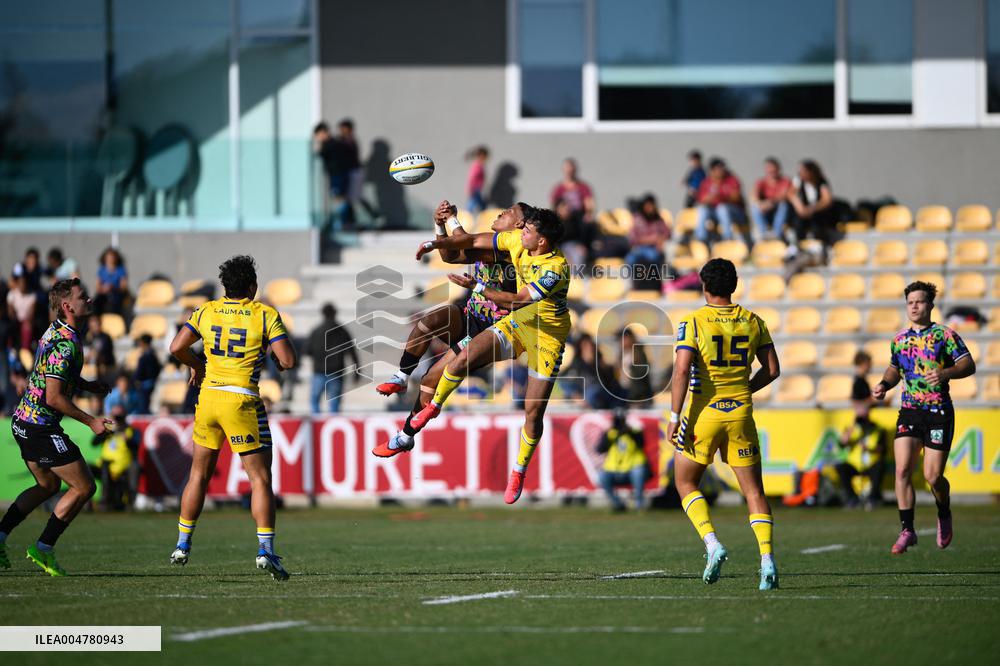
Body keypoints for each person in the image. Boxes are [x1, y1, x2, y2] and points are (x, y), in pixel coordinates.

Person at [411, 207, 571, 504]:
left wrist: (477, 286)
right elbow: (469, 241)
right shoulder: (516, 241)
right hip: (520, 324)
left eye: (527, 231)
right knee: (463, 357)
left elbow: (516, 300)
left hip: (547, 337)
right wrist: (435, 242)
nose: (520, 233)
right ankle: (433, 407)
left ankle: (519, 470)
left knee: (533, 412)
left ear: (541, 242)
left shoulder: (556, 269)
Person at [167, 255, 297, 580]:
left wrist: (198, 367)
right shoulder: (264, 314)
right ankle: (265, 549)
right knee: (260, 479)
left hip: (208, 398)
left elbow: (176, 347)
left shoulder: (207, 310)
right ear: (252, 287)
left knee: (198, 475)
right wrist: (276, 359)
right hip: (242, 400)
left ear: (225, 286)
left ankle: (182, 544)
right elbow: (288, 360)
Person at [664, 258, 782, 590]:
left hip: (704, 414)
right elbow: (772, 369)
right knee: (754, 491)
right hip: (741, 412)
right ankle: (767, 560)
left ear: (704, 286)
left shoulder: (693, 322)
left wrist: (674, 417)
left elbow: (681, 371)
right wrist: (746, 388)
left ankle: (713, 543)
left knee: (685, 483)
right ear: (733, 285)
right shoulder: (753, 321)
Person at [373, 201, 523, 456]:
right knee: (430, 320)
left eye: (509, 212)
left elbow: (464, 241)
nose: (502, 212)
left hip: (493, 331)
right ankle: (401, 377)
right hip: (472, 317)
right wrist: (439, 225)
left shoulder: (514, 244)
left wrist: (450, 219)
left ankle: (405, 435)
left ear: (519, 224)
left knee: (432, 378)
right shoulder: (493, 244)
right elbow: (451, 255)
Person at [0, 278, 112, 576]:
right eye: (82, 297)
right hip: (39, 426)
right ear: (67, 306)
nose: (88, 299)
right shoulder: (66, 344)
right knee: (85, 486)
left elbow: (50, 374)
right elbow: (54, 396)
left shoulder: (57, 332)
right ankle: (43, 548)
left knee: (48, 485)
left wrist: (86, 385)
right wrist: (91, 421)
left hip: (23, 420)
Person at [871, 281, 976, 554]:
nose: (914, 306)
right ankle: (907, 530)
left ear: (930, 305)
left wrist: (945, 373)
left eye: (919, 301)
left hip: (938, 412)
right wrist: (884, 384)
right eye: (910, 302)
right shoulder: (899, 339)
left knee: (932, 476)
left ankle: (943, 510)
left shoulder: (944, 335)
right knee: (902, 469)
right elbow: (895, 369)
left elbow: (968, 364)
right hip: (910, 410)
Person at [834, 351, 886, 509]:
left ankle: (872, 498)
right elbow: (842, 445)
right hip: (856, 463)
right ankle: (852, 499)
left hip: (869, 463)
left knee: (880, 465)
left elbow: (882, 449)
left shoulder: (875, 428)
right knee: (840, 466)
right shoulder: (859, 382)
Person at [306, 303, 359, 414]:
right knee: (334, 404)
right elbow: (352, 351)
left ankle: (317, 426)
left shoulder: (316, 331)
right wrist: (357, 369)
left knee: (314, 401)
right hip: (336, 372)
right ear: (335, 313)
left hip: (319, 371)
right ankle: (332, 425)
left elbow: (307, 350)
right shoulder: (342, 331)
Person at [596, 407, 650, 511]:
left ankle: (639, 504)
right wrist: (609, 435)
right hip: (613, 470)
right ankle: (617, 504)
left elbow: (642, 444)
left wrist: (630, 432)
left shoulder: (634, 431)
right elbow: (600, 449)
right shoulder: (609, 433)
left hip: (632, 468)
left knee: (638, 472)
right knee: (602, 476)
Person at [91, 406, 140, 511]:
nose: (117, 419)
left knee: (134, 467)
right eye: (115, 416)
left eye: (119, 417)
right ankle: (99, 501)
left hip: (123, 466)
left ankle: (130, 503)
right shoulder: (108, 430)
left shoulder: (130, 430)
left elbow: (136, 447)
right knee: (87, 467)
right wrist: (105, 432)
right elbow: (93, 443)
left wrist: (127, 440)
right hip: (106, 464)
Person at [787, 160, 835, 257]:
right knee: (798, 223)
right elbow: (791, 194)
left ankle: (821, 246)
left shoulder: (821, 182)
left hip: (818, 212)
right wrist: (800, 207)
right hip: (803, 212)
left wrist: (812, 209)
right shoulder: (798, 180)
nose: (801, 174)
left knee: (818, 224)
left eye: (804, 171)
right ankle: (798, 246)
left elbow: (826, 200)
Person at [560, 333, 620, 409]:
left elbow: (612, 385)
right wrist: (576, 396)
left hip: (603, 403)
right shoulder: (576, 367)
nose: (590, 348)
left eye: (591, 345)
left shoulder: (601, 365)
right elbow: (566, 383)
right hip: (584, 404)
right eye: (586, 345)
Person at [694, 158, 746, 246]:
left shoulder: (731, 179)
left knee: (722, 208)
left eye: (722, 168)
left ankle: (727, 238)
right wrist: (710, 198)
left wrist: (722, 197)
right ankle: (701, 239)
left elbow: (737, 197)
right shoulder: (706, 182)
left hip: (735, 213)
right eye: (718, 168)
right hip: (715, 214)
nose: (721, 171)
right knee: (702, 210)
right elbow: (701, 200)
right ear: (712, 171)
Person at [313, 121, 354, 232]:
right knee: (339, 198)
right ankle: (342, 222)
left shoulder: (332, 144)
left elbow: (321, 154)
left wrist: (320, 145)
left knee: (340, 199)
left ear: (324, 133)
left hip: (338, 175)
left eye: (318, 135)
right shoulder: (334, 143)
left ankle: (341, 223)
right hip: (336, 175)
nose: (318, 138)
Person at [626, 194, 670, 291]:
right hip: (640, 248)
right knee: (630, 259)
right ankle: (633, 284)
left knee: (653, 256)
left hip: (653, 249)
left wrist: (660, 240)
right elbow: (633, 239)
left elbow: (667, 233)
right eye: (647, 206)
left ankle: (656, 284)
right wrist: (650, 239)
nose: (650, 208)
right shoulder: (637, 219)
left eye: (651, 205)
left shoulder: (658, 220)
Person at [750, 157, 791, 242]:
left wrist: (771, 203)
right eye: (768, 168)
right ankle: (764, 234)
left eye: (773, 168)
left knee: (783, 205)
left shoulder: (785, 181)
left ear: (778, 169)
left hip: (780, 213)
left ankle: (777, 234)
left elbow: (784, 196)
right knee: (755, 207)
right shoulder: (761, 182)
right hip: (766, 212)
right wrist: (760, 204)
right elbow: (754, 196)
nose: (771, 171)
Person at [549, 158, 595, 233]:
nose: (569, 171)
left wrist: (588, 214)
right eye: (567, 169)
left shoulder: (583, 187)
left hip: (579, 218)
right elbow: (553, 205)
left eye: (571, 169)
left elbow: (589, 203)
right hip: (564, 219)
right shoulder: (559, 188)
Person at [7, 263, 36, 349]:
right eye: (20, 283)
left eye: (24, 283)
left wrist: (26, 320)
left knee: (27, 327)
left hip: (26, 321)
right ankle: (10, 349)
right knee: (9, 327)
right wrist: (14, 319)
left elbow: (31, 312)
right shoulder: (12, 294)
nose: (23, 285)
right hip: (15, 321)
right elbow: (10, 311)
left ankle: (25, 350)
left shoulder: (32, 296)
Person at [94, 247, 129, 315]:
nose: (110, 259)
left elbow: (124, 288)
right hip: (103, 295)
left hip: (117, 295)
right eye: (109, 257)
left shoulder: (121, 270)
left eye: (112, 257)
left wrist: (113, 288)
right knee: (96, 303)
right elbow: (98, 287)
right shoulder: (101, 270)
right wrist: (104, 289)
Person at [133, 333, 162, 414]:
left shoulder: (146, 356)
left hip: (145, 383)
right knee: (145, 403)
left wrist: (136, 379)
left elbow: (140, 370)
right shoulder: (153, 354)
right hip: (150, 382)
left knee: (143, 405)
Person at [85, 314, 116, 385]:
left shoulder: (105, 337)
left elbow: (102, 353)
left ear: (100, 324)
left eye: (95, 325)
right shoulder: (88, 337)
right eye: (91, 326)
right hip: (91, 366)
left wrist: (91, 355)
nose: (93, 327)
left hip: (106, 366)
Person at [466, 145, 489, 214]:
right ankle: (467, 217)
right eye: (486, 156)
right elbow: (472, 177)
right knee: (472, 205)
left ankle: (483, 216)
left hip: (478, 189)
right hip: (475, 189)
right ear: (482, 155)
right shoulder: (477, 165)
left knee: (482, 205)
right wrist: (470, 188)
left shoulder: (479, 165)